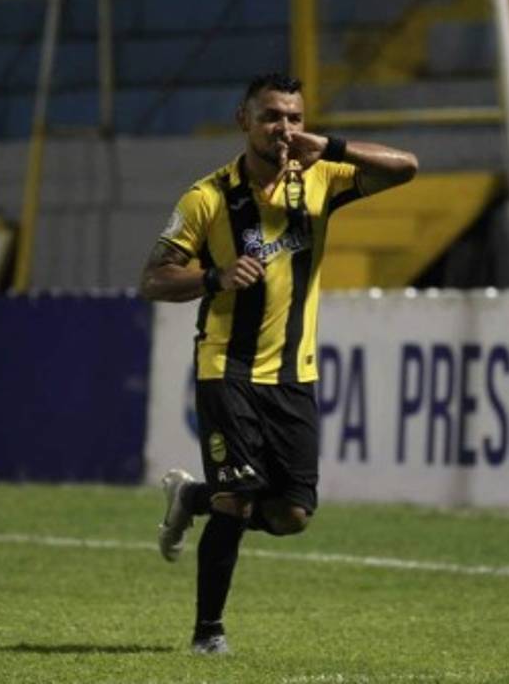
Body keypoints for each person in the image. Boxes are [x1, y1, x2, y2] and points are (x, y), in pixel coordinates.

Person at [138, 71, 419, 654]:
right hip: (227, 367)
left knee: (292, 514)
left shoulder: (320, 179)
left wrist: (333, 146)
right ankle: (207, 635)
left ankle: (191, 498)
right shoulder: (207, 198)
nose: (284, 128)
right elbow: (154, 278)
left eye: (294, 117)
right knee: (237, 499)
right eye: (271, 116)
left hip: (293, 373)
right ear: (245, 120)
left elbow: (406, 168)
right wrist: (214, 276)